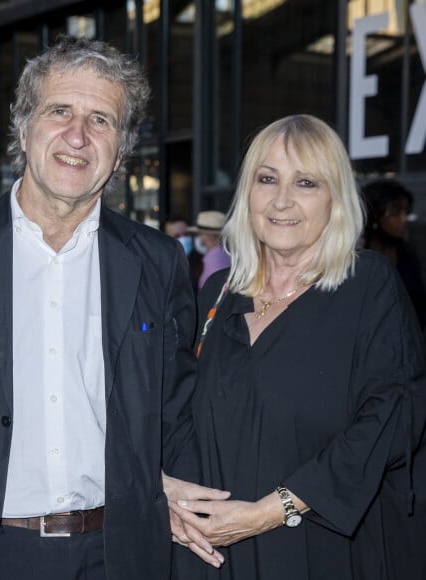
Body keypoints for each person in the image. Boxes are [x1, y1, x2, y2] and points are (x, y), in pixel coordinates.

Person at [0, 35, 227, 580]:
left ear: (122, 149)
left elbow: (176, 422)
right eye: (60, 111)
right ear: (24, 127)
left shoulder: (157, 262)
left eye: (101, 120)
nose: (77, 136)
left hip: (119, 555)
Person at [172, 115, 426, 579]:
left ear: (335, 199)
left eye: (306, 182)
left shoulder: (366, 285)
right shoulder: (217, 295)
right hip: (216, 554)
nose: (282, 200)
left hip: (321, 546)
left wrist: (273, 509)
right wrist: (170, 493)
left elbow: (390, 418)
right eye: (267, 179)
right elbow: (179, 414)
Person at [362, 178, 426, 329]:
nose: (404, 219)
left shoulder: (408, 252)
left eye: (406, 211)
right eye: (395, 213)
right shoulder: (357, 258)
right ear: (374, 216)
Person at [187, 211, 231, 290]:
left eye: (200, 233)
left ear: (208, 235)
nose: (198, 237)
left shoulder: (214, 258)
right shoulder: (223, 254)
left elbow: (214, 289)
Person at [164, 214, 203, 289]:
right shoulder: (163, 266)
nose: (183, 239)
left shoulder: (202, 261)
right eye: (177, 236)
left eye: (186, 234)